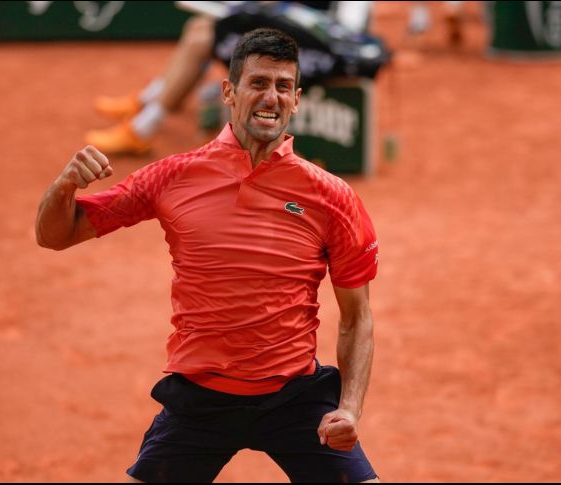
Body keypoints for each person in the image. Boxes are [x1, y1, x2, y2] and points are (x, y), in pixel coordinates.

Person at [37, 28, 380, 483]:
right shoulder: (174, 176)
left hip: (295, 397)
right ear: (229, 92)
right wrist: (64, 185)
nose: (271, 97)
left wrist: (350, 409)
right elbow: (56, 235)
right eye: (258, 83)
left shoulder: (331, 197)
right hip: (200, 400)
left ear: (297, 100)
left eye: (283, 86)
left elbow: (357, 317)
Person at [85, 1, 376, 156]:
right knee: (202, 26)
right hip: (288, 37)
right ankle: (147, 103)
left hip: (322, 54)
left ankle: (143, 127)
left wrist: (285, 14)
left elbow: (346, 30)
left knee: (207, 37)